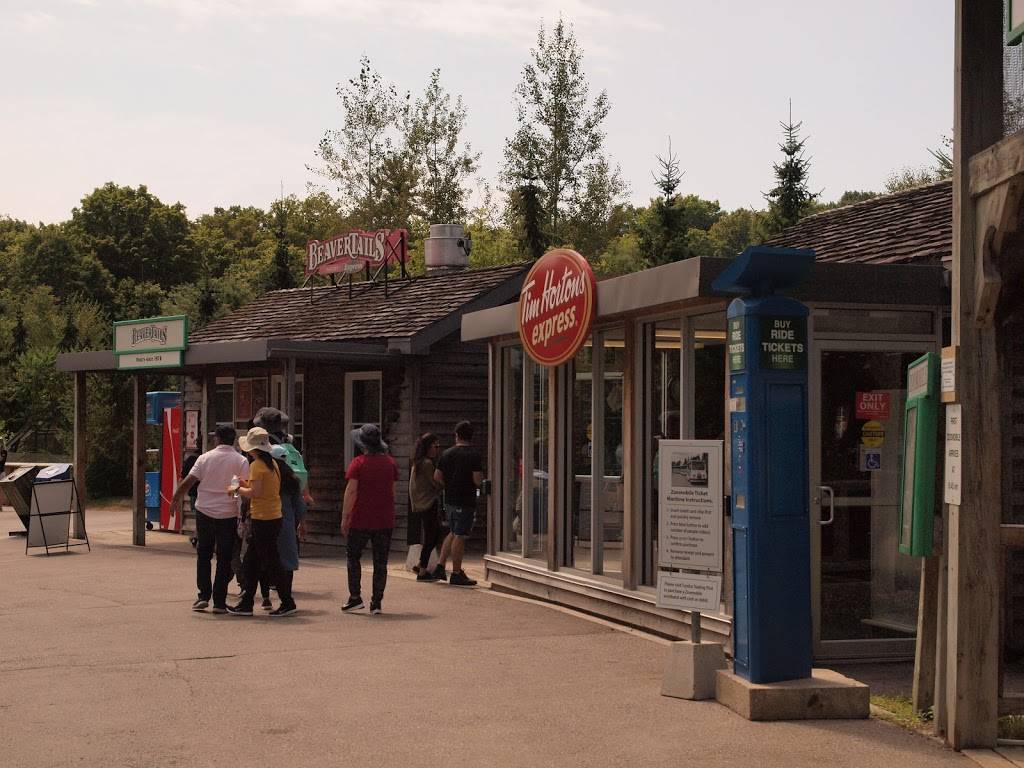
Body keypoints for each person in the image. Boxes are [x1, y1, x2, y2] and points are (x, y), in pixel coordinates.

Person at [169, 426, 249, 614]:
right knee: (224, 556)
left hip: (204, 511)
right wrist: (243, 516)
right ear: (234, 440)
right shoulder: (241, 460)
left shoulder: (204, 458)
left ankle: (203, 596)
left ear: (218, 439)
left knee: (203, 553)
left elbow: (189, 481)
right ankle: (219, 602)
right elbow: (243, 490)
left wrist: (175, 499)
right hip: (228, 513)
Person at [341, 423, 398, 615]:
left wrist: (345, 517)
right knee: (380, 562)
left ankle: (355, 597)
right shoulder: (390, 463)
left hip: (360, 518)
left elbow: (351, 492)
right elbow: (392, 491)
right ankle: (377, 602)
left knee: (353, 557)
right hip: (384, 518)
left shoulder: (358, 463)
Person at [228, 427, 283, 617]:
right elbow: (260, 487)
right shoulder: (272, 464)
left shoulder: (257, 465)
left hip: (263, 518)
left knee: (267, 562)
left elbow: (255, 493)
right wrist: (245, 484)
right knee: (254, 561)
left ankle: (285, 600)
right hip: (273, 515)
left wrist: (235, 489)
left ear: (252, 449)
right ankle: (247, 603)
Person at [256, 444, 307, 617]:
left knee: (264, 558)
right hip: (287, 524)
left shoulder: (269, 475)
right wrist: (300, 522)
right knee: (286, 562)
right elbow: (300, 507)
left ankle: (266, 598)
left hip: (266, 519)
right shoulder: (293, 480)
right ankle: (287, 597)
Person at [432, 421, 483, 587]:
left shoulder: (446, 454)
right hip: (465, 499)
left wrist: (448, 485)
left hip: (450, 499)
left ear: (457, 435)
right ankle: (456, 572)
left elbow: (437, 476)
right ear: (471, 436)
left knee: (453, 532)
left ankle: (440, 566)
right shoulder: (473, 455)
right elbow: (477, 479)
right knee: (460, 535)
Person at [410, 433, 444, 582]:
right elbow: (435, 483)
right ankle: (422, 571)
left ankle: (419, 564)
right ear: (428, 447)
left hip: (421, 503)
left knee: (433, 535)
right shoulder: (427, 464)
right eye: (435, 446)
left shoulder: (417, 462)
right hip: (428, 502)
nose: (437, 449)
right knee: (432, 536)